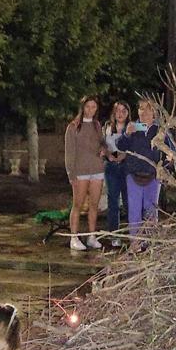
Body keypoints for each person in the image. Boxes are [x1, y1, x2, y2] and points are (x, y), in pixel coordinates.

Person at [117, 99, 172, 241]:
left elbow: (170, 152)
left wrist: (164, 166)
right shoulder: (133, 127)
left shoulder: (161, 129)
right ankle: (135, 242)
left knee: (151, 210)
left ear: (154, 112)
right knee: (134, 210)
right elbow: (121, 146)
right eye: (141, 109)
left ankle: (150, 243)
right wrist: (126, 134)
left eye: (148, 109)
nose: (144, 112)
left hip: (153, 175)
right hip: (133, 174)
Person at [64, 95, 106, 251]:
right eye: (88, 107)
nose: (90, 110)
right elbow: (69, 154)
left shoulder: (97, 125)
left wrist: (104, 150)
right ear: (82, 108)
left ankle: (91, 236)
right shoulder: (73, 127)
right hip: (80, 172)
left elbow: (103, 145)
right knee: (78, 205)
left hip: (97, 170)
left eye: (93, 107)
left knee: (94, 205)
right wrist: (71, 175)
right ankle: (74, 238)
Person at [102, 101, 130, 246]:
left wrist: (126, 155)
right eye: (118, 111)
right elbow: (103, 145)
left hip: (127, 166)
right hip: (111, 166)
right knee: (113, 202)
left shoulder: (133, 126)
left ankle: (134, 234)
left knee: (129, 201)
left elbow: (149, 128)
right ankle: (114, 235)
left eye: (124, 111)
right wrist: (108, 154)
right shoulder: (107, 127)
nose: (120, 114)